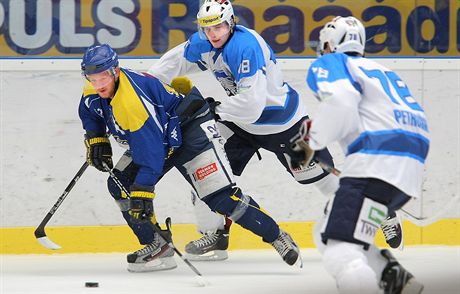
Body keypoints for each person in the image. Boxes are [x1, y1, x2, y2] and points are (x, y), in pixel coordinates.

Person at [147, 0, 402, 261]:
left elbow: (252, 105)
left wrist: (216, 110)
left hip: (285, 125)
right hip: (240, 126)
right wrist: (146, 91)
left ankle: (379, 210)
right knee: (206, 175)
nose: (213, 34)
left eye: (219, 26)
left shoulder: (246, 47)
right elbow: (167, 67)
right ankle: (216, 234)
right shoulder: (202, 43)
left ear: (231, 22)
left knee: (325, 181)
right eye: (208, 27)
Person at [77, 44, 303, 272]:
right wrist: (96, 138)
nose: (98, 84)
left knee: (222, 199)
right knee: (120, 185)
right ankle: (157, 246)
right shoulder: (94, 86)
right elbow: (89, 111)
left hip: (191, 132)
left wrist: (144, 190)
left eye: (103, 77)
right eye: (92, 78)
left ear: (115, 70)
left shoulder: (132, 102)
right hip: (160, 136)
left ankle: (277, 236)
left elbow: (152, 151)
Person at [290, 16, 428, 293]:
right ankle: (392, 276)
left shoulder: (332, 62)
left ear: (329, 44)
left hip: (374, 164)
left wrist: (310, 143)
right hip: (409, 170)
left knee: (341, 252)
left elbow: (341, 103)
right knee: (326, 229)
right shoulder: (383, 71)